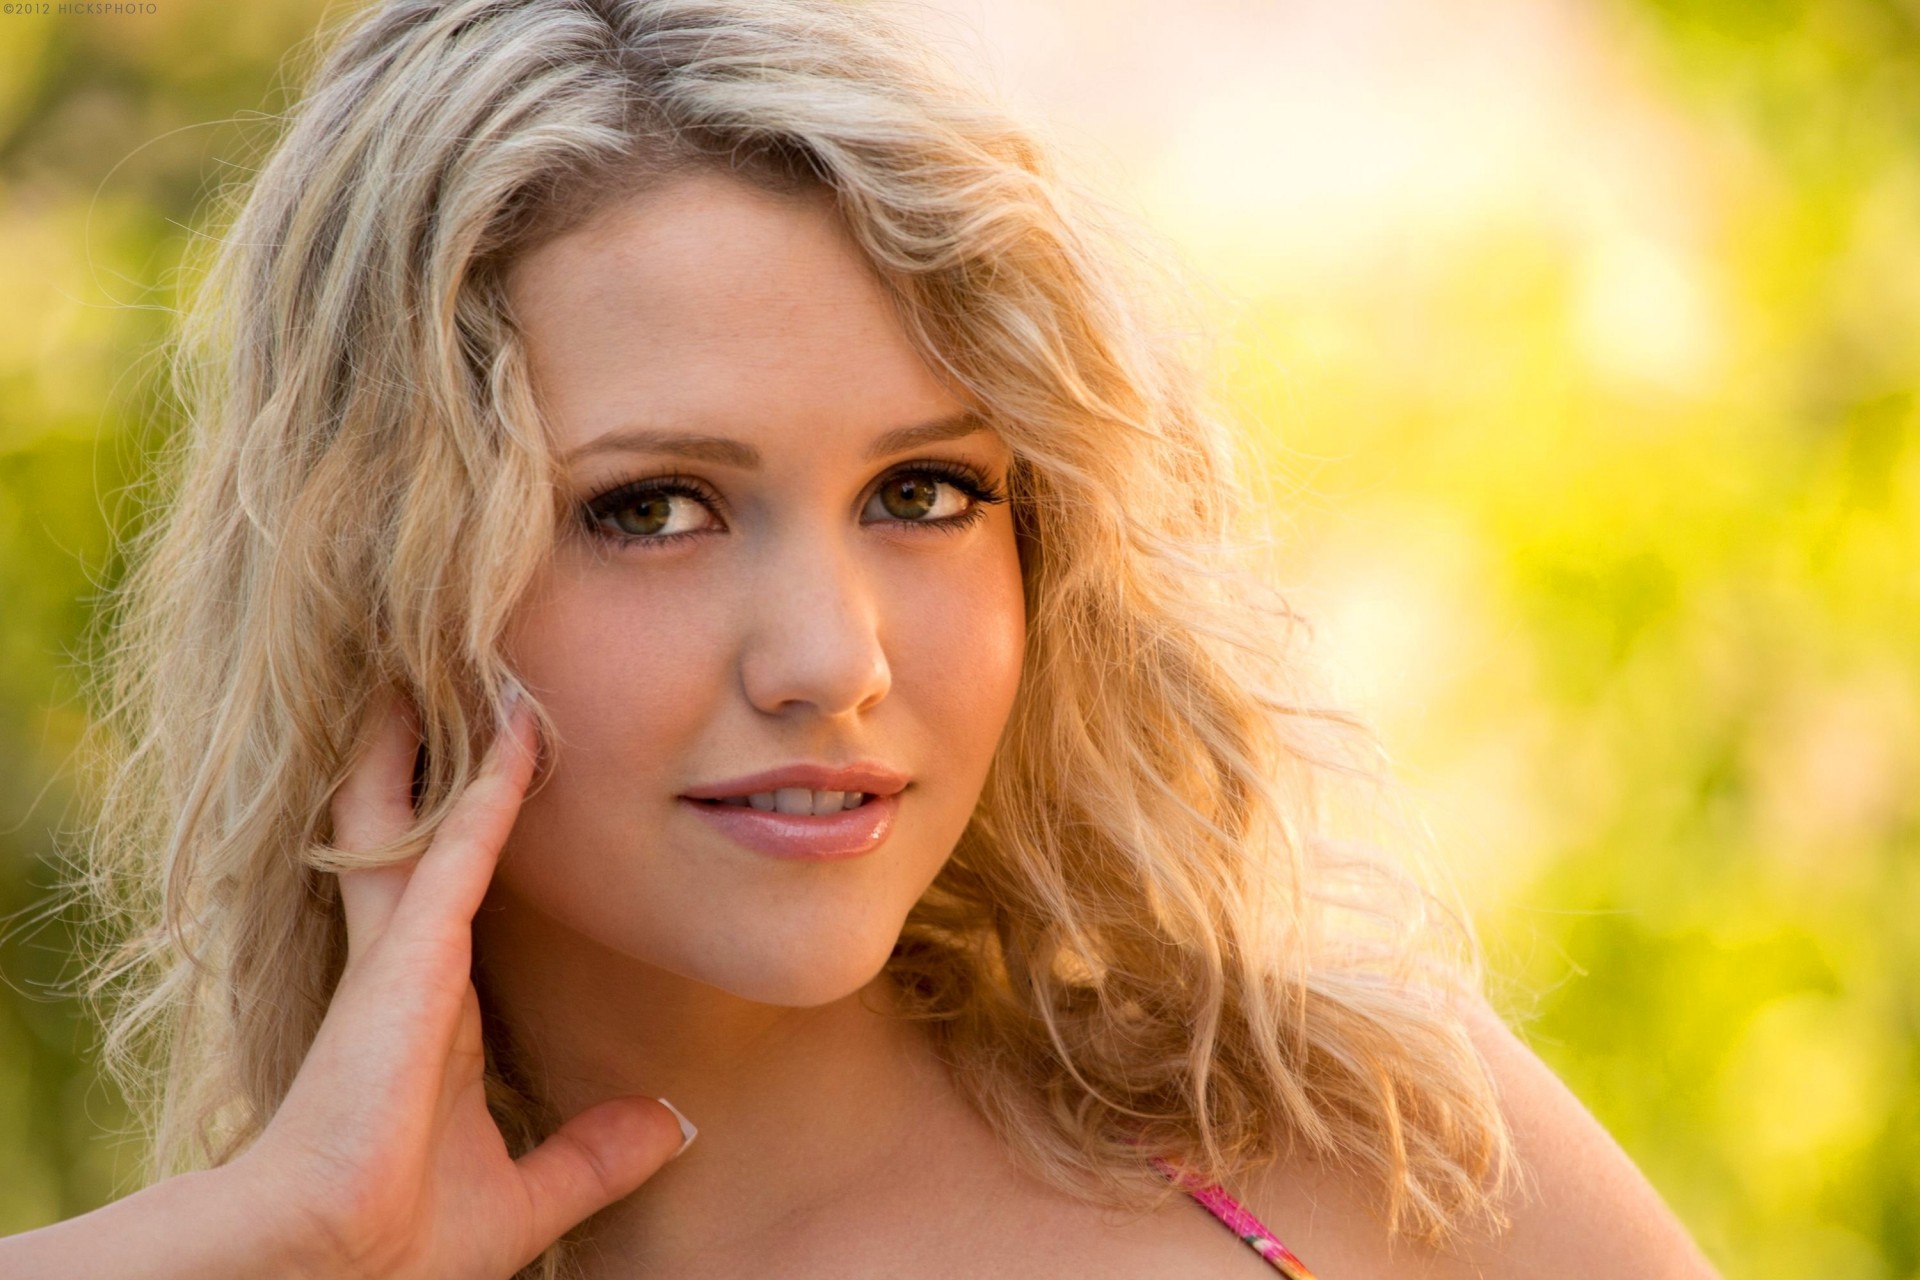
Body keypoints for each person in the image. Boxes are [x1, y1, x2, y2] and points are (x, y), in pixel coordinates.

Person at [2, 1, 1722, 1276]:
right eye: (653, 509)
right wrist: (281, 1240)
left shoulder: (1368, 1146)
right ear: (376, 580)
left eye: (924, 493)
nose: (832, 661)